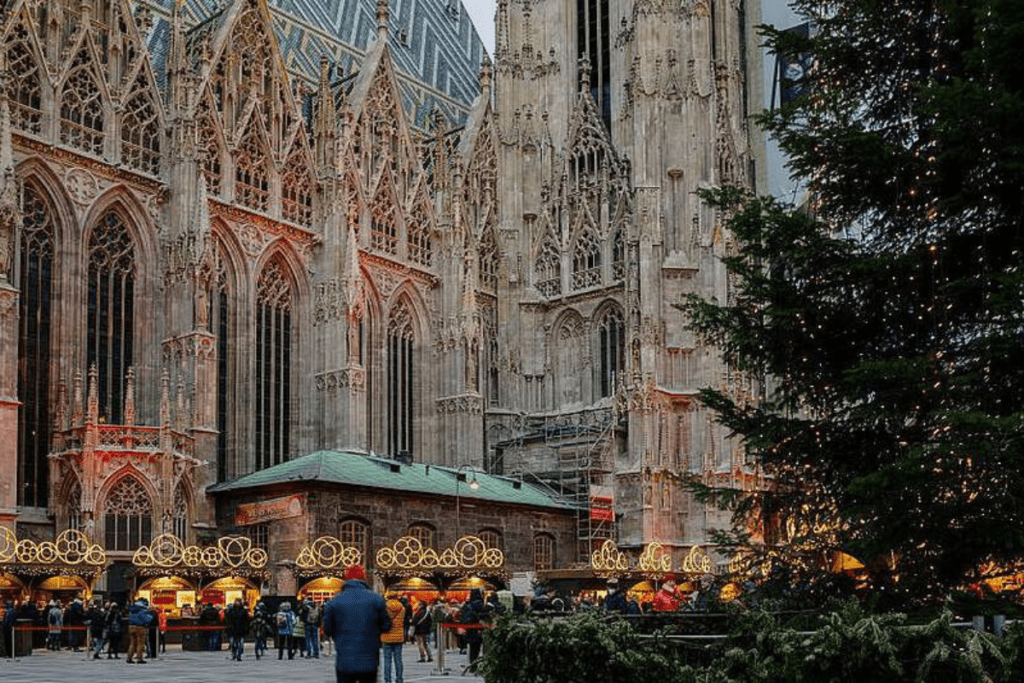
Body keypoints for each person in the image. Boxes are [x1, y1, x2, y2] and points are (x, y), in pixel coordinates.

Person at [322, 564, 391, 683]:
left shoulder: (334, 601)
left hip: (344, 659)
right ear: (363, 578)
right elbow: (386, 625)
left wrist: (338, 634)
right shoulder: (376, 599)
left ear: (346, 578)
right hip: (369, 659)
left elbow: (327, 629)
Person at [459, 589, 490, 667]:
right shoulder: (480, 603)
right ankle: (479, 664)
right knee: (480, 647)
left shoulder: (468, 605)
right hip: (478, 628)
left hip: (470, 627)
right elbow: (484, 615)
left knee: (473, 647)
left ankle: (472, 663)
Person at [381, 594, 406, 683]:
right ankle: (399, 679)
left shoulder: (384, 608)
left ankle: (387, 679)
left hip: (386, 636)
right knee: (398, 659)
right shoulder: (402, 608)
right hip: (398, 637)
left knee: (387, 660)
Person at [126, 596, 155, 664]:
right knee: (140, 643)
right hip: (140, 627)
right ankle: (139, 658)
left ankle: (129, 657)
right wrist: (152, 614)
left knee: (132, 643)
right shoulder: (143, 609)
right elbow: (147, 619)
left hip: (131, 626)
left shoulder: (133, 608)